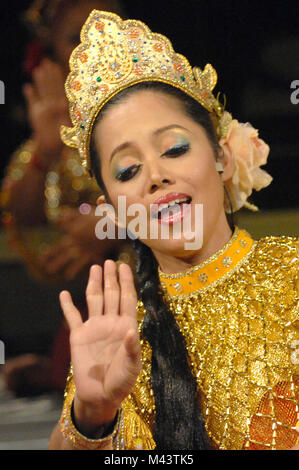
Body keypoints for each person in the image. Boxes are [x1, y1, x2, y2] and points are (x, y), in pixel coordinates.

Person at [49, 10, 298, 450]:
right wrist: (92, 416)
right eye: (128, 171)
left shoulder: (292, 274)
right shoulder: (122, 334)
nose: (155, 176)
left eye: (175, 148)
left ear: (221, 156)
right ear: (116, 211)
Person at [0, 0, 128, 395]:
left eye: (109, 27)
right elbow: (20, 219)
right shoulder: (55, 132)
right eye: (77, 37)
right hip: (97, 325)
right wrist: (45, 149)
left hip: (177, 314)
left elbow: (202, 207)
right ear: (53, 51)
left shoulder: (162, 111)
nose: (97, 42)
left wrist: (116, 224)